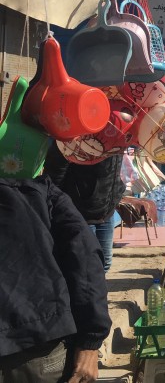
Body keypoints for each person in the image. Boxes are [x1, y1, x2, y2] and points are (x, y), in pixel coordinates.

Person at [0, 175, 111, 382]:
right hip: (38, 346)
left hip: (37, 342)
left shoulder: (39, 190)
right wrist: (90, 342)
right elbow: (85, 260)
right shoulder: (35, 189)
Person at [43, 145, 126, 273]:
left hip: (106, 209)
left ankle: (98, 292)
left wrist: (118, 191)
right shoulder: (77, 132)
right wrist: (58, 202)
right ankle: (84, 292)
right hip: (81, 212)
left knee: (104, 263)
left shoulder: (116, 133)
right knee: (84, 266)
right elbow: (55, 170)